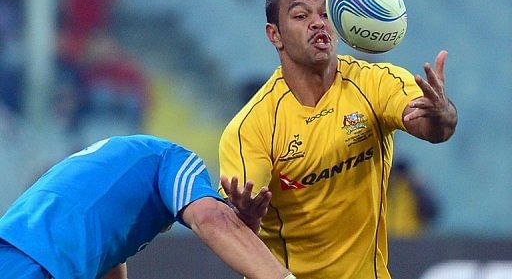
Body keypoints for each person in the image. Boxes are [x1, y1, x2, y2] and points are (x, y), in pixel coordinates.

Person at [219, 0, 458, 279]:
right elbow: (235, 224)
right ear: (274, 35)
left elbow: (435, 128)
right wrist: (245, 215)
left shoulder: (376, 83)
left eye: (325, 14)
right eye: (301, 15)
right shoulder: (252, 127)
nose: (317, 23)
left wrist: (442, 113)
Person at [0, 135, 295, 279]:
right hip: (37, 262)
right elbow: (210, 218)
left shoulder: (116, 185)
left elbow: (110, 263)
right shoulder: (174, 158)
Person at [387, 158, 439, 238]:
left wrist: (419, 186)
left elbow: (431, 211)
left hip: (412, 239)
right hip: (389, 240)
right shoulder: (386, 190)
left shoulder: (414, 190)